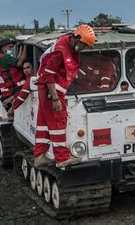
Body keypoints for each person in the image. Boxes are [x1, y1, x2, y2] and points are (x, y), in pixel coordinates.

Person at [33, 24, 96, 168]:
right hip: (51, 91)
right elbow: (48, 74)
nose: (84, 48)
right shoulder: (60, 51)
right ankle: (62, 158)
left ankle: (40, 156)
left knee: (43, 123)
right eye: (84, 45)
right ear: (77, 39)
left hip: (47, 89)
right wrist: (55, 98)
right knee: (58, 122)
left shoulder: (66, 44)